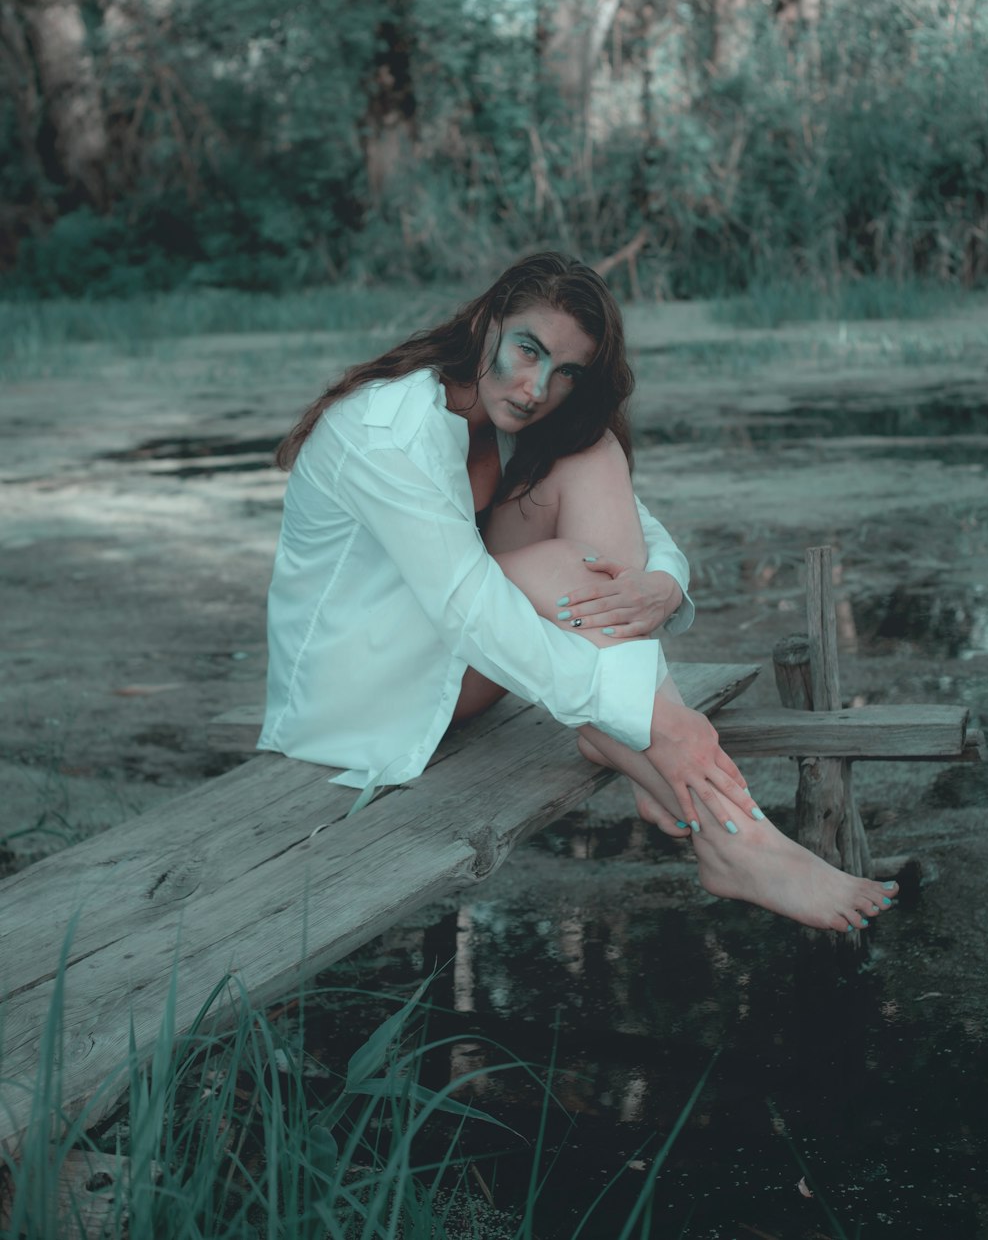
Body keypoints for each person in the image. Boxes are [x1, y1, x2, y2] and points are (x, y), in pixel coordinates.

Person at [259, 252, 897, 933]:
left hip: (452, 656)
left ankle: (656, 770)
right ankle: (735, 836)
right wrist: (658, 721)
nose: (537, 388)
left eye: (567, 372)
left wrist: (664, 583)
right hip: (361, 696)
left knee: (594, 454)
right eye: (528, 351)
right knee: (566, 575)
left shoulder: (513, 416)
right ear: (486, 321)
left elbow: (640, 531)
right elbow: (469, 607)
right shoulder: (383, 431)